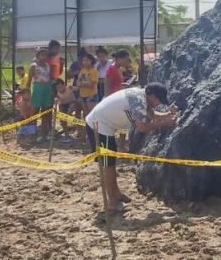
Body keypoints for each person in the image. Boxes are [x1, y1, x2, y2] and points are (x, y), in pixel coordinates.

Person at [85, 86, 177, 215]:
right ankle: (112, 202)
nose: (159, 103)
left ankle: (117, 195)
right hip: (99, 126)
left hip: (105, 126)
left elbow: (150, 113)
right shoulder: (138, 101)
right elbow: (143, 128)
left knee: (111, 163)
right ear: (151, 95)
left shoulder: (140, 95)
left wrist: (167, 114)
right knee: (108, 165)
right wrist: (165, 123)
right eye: (158, 100)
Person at [27, 48, 53, 143]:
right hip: (38, 88)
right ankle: (32, 134)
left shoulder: (48, 66)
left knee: (46, 113)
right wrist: (27, 92)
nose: (44, 57)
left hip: (47, 89)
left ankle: (44, 134)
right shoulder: (33, 66)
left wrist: (51, 92)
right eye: (42, 54)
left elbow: (50, 79)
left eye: (45, 55)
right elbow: (29, 79)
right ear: (38, 56)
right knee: (34, 113)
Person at [54, 79, 77, 143]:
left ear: (64, 85)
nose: (60, 89)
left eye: (61, 87)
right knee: (62, 118)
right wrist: (62, 115)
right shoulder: (57, 94)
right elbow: (60, 105)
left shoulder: (69, 88)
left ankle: (77, 130)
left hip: (72, 102)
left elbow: (78, 89)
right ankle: (66, 134)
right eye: (58, 88)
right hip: (64, 105)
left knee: (72, 105)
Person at [77, 53, 99, 120]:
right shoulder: (82, 70)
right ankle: (86, 129)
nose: (84, 62)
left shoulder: (94, 71)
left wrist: (81, 84)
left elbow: (91, 85)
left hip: (91, 96)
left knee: (92, 114)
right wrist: (83, 84)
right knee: (85, 114)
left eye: (87, 60)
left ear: (91, 61)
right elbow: (77, 82)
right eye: (83, 60)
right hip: (82, 95)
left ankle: (93, 129)